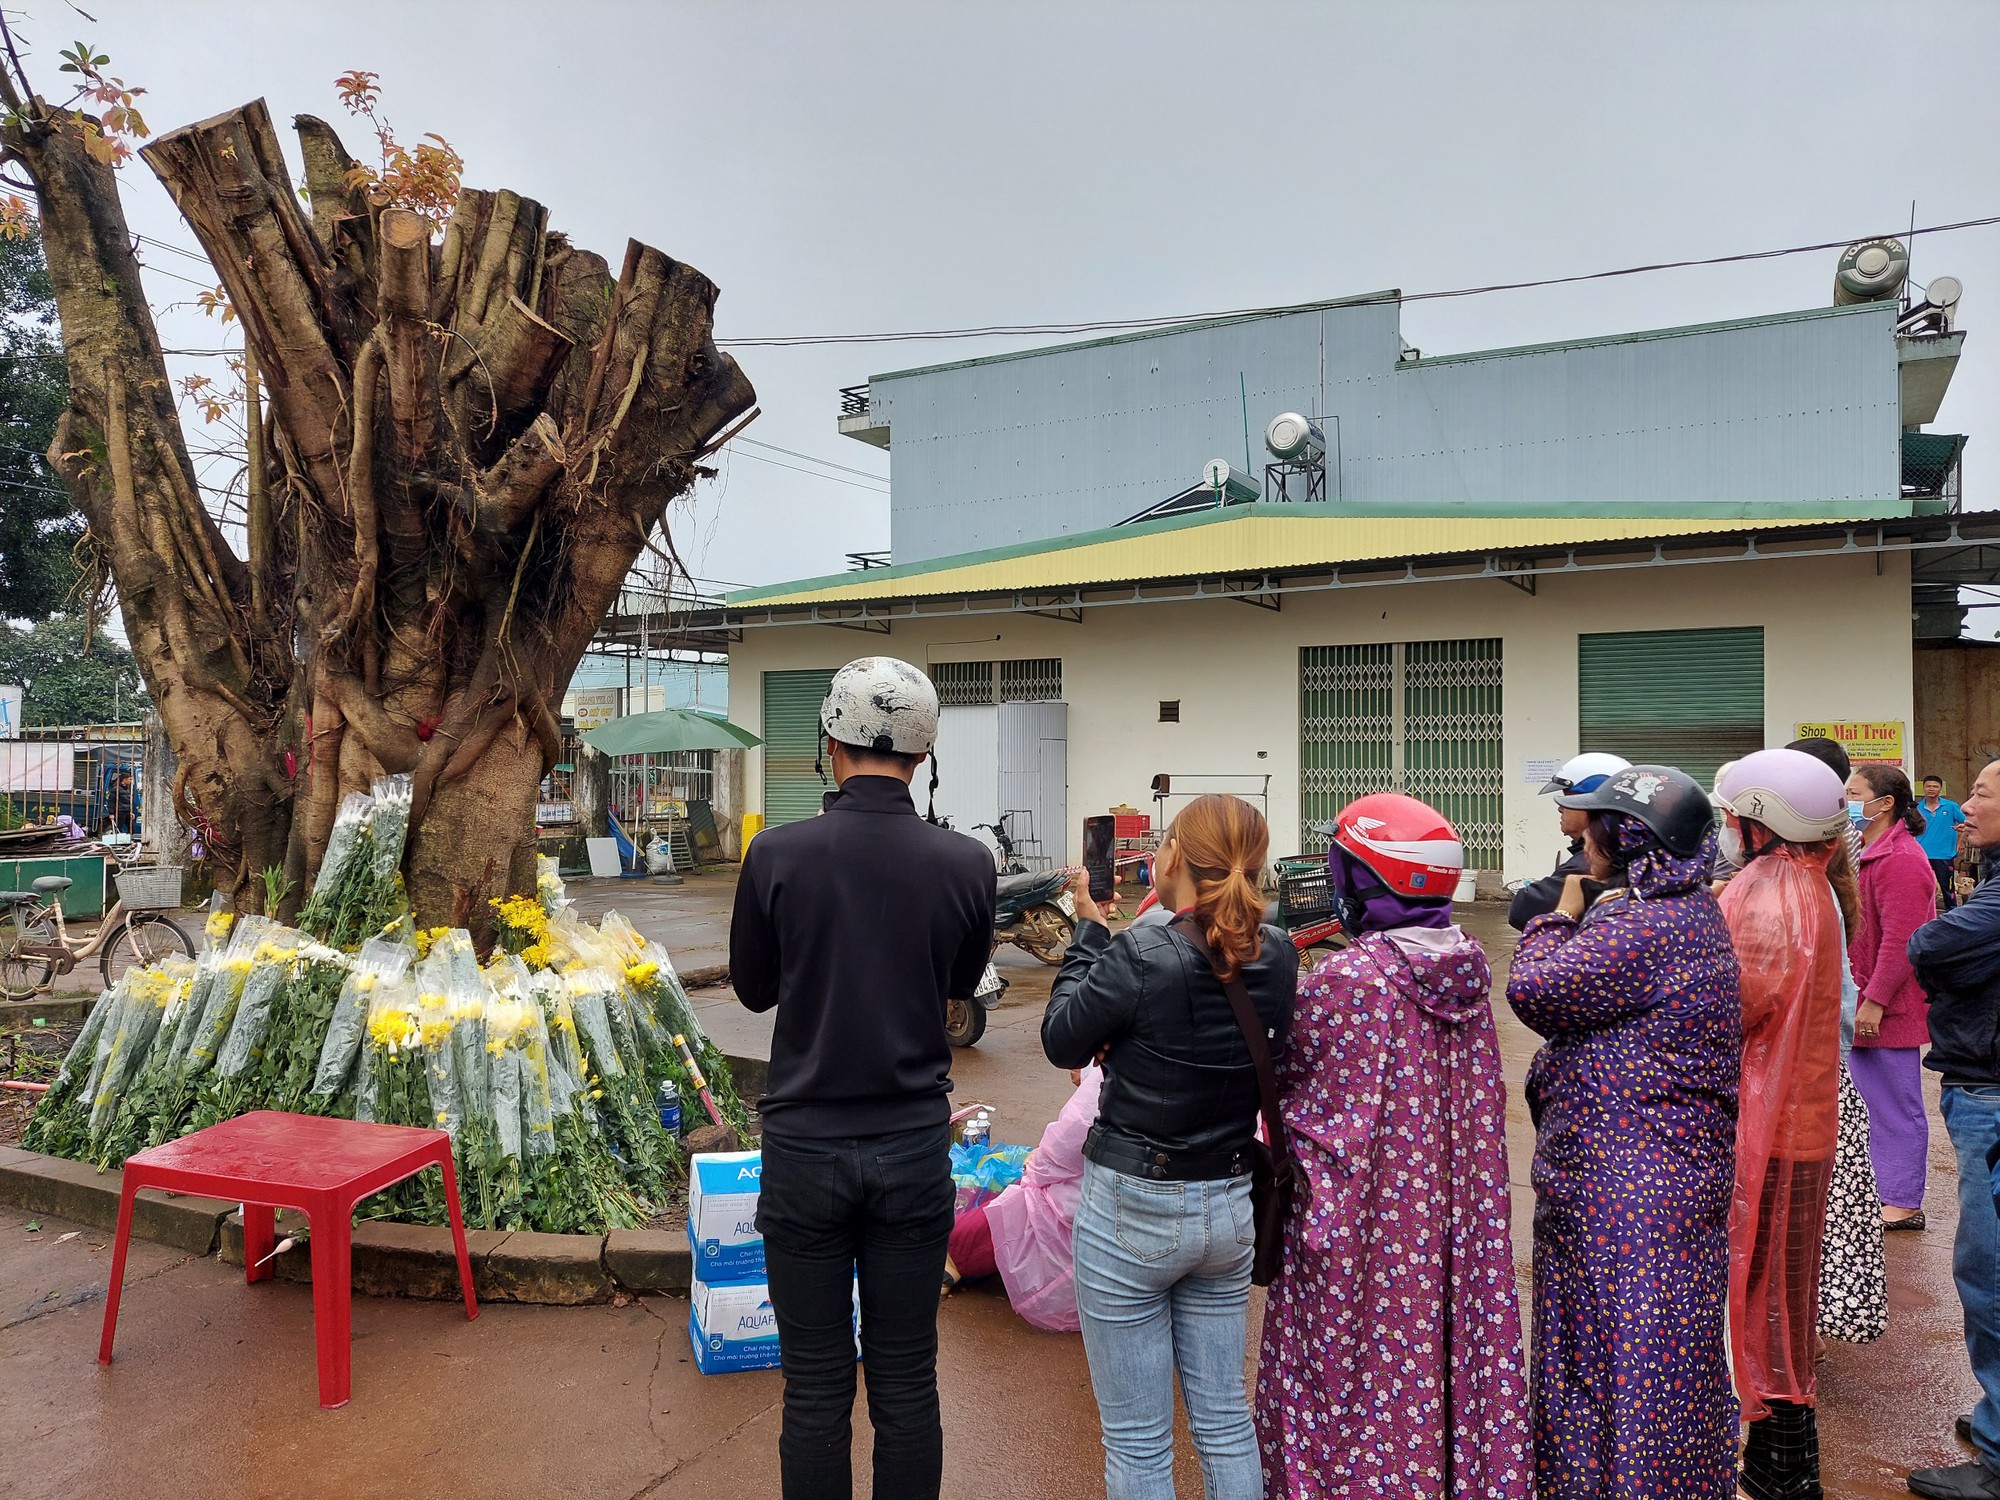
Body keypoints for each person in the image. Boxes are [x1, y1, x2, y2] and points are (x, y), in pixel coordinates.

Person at [729, 656, 996, 1500]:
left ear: (830, 743)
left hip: (805, 1149)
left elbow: (754, 987)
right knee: (907, 1383)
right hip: (913, 1148)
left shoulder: (777, 853)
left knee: (814, 1389)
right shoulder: (967, 863)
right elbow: (958, 987)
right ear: (924, 756)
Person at [1256, 793, 1530, 1499]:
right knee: (1434, 1356)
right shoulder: (1469, 968)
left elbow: (1283, 1085)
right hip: (1443, 1228)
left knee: (1349, 1373)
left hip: (1361, 1231)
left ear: (1365, 881)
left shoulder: (1350, 979)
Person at [1042, 793, 1296, 1500]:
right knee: (1223, 1422)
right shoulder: (1277, 955)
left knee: (1139, 1441)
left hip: (1133, 1206)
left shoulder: (1140, 950)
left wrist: (1089, 934)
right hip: (1227, 1208)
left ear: (1173, 858)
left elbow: (1062, 1037)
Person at [1505, 764, 1740, 1498]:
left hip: (1626, 1188)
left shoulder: (1646, 926)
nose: (1586, 842)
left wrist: (1558, 915)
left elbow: (1534, 991)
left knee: (1621, 1358)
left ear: (1630, 840)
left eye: (1598, 827)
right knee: (1658, 1351)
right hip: (1656, 1177)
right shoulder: (1686, 912)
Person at [1713, 750, 1850, 1500]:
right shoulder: (1810, 883)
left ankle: (1779, 1474)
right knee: (1783, 1306)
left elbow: (1732, 1009)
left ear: (1758, 820)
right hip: (1802, 1124)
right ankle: (1786, 1466)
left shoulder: (1766, 897)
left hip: (1769, 1132)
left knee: (1765, 1309)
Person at [1907, 759, 2000, 1500]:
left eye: (1980, 794)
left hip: (1991, 1094)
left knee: (1990, 1270)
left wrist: (1940, 960)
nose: (1963, 807)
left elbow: (1926, 948)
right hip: (1979, 1084)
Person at [942, 1063, 1102, 1331]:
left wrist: (1033, 1167)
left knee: (1006, 1213)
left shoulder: (1107, 1076)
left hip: (1095, 1208)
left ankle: (950, 1266)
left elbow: (1066, 1142)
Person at [1846, 764, 1938, 1229]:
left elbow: (1904, 938)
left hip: (1885, 1007)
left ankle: (1902, 1200)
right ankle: (1881, 1191)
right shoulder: (1867, 850)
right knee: (1868, 1103)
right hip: (1862, 999)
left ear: (1884, 804)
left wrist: (1876, 998)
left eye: (1854, 793)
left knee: (1895, 1105)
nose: (1846, 800)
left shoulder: (1901, 858)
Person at [1508, 752, 1630, 929]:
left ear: (1594, 805)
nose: (1560, 808)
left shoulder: (1594, 864)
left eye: (1568, 798)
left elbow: (1523, 910)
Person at [1921, 774, 1970, 909]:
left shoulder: (1950, 806)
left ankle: (1951, 914)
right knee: (1922, 888)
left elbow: (1967, 824)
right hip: (1921, 855)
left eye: (1935, 786)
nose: (1931, 789)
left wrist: (1961, 841)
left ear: (1940, 789)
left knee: (1947, 889)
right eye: (1928, 786)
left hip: (1944, 855)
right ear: (1923, 788)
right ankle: (1924, 915)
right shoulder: (1916, 809)